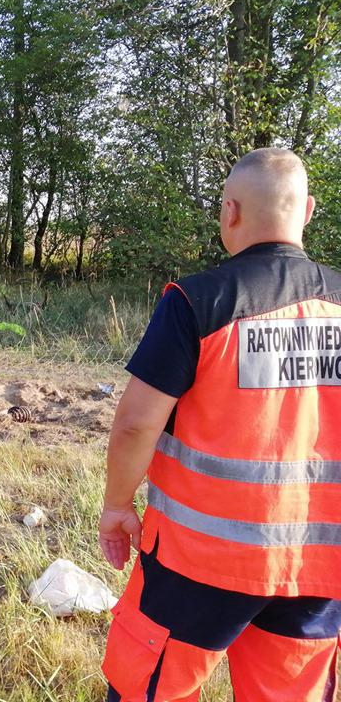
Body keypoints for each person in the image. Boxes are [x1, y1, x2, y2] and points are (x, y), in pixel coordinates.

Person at [99, 147, 341, 701]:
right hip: (316, 561)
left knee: (150, 688)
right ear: (307, 211)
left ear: (228, 212)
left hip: (200, 558)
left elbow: (137, 423)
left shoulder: (199, 300)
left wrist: (117, 507)